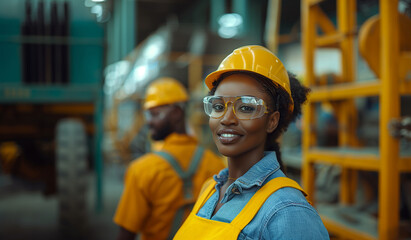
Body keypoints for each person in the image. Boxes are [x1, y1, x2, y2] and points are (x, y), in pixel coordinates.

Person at [174, 45, 330, 239]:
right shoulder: (210, 190)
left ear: (272, 121)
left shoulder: (288, 212)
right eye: (218, 106)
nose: (226, 118)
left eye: (246, 108)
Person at [114, 77, 225, 240]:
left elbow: (126, 234)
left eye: (155, 114)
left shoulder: (142, 170)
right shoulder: (216, 165)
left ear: (176, 113)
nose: (149, 122)